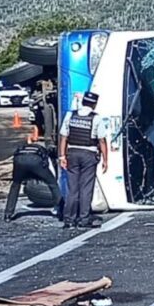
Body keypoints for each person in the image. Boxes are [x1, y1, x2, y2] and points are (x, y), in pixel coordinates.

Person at [58, 91, 108, 229]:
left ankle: (69, 220)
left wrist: (62, 156)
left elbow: (63, 137)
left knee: (72, 188)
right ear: (94, 104)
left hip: (72, 154)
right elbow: (102, 141)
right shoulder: (96, 118)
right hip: (89, 155)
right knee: (86, 188)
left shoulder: (70, 115)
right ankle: (83, 219)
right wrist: (105, 160)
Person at [4, 143, 61, 222]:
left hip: (19, 160)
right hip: (35, 161)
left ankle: (8, 214)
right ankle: (61, 209)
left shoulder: (22, 147)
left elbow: (15, 159)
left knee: (15, 185)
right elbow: (50, 169)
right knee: (53, 184)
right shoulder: (44, 151)